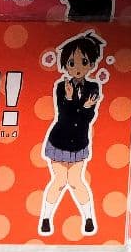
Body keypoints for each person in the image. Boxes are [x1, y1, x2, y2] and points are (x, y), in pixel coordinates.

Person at [38, 32, 106, 237]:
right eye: (71, 63)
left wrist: (85, 107)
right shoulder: (62, 87)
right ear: (65, 65)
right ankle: (46, 218)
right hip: (59, 141)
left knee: (76, 181)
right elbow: (63, 115)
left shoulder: (93, 87)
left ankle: (88, 218)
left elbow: (87, 118)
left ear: (91, 64)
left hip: (79, 143)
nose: (77, 67)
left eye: (83, 62)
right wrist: (70, 99)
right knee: (60, 181)